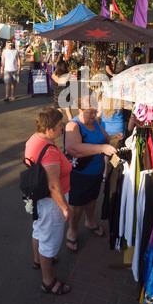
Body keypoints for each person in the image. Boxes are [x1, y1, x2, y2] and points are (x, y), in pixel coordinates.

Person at [64, 96, 123, 253]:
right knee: (77, 206)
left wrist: (114, 136)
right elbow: (72, 148)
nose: (94, 115)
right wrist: (101, 149)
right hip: (80, 173)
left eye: (95, 112)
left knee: (92, 200)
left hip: (96, 171)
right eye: (90, 112)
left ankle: (89, 222)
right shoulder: (73, 125)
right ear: (80, 110)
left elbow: (105, 137)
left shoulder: (94, 122)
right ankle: (72, 230)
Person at [24, 107, 72, 295]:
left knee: (39, 231)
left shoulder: (34, 139)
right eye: (60, 126)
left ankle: (38, 260)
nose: (63, 128)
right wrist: (65, 207)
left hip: (40, 199)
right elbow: (53, 186)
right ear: (49, 129)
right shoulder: (49, 151)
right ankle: (48, 281)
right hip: (52, 202)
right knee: (49, 241)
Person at [51, 57, 73, 121]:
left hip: (57, 96)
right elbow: (65, 80)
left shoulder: (54, 76)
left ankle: (60, 127)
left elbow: (55, 73)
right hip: (66, 96)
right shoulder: (68, 75)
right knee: (68, 111)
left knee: (59, 113)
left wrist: (57, 68)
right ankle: (71, 124)